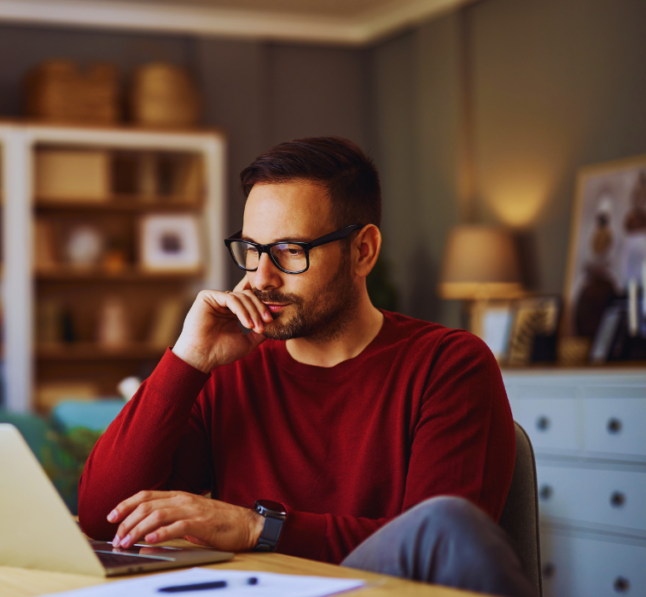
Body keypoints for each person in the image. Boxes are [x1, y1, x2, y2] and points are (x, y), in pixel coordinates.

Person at [78, 137, 536, 597]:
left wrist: (259, 528)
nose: (260, 278)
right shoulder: (232, 372)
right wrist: (187, 360)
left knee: (446, 522)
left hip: (377, 591)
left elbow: (440, 548)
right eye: (252, 249)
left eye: (290, 250)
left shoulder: (449, 365)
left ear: (363, 251)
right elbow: (102, 518)